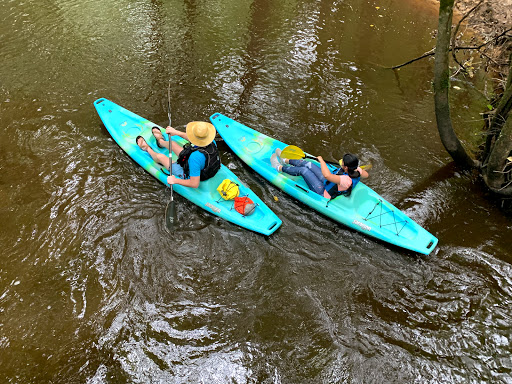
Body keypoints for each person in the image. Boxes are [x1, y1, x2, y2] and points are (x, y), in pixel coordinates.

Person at [136, 121, 221, 188]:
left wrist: (175, 180)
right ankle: (160, 141)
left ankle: (146, 148)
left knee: (160, 157)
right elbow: (192, 138)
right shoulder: (210, 141)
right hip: (202, 164)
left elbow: (194, 184)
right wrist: (176, 132)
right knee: (172, 144)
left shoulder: (195, 158)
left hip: (190, 172)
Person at [270, 149, 369, 200]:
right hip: (328, 182)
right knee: (308, 164)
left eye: (343, 162)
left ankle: (279, 168)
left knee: (303, 171)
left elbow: (327, 176)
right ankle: (285, 160)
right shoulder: (357, 170)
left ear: (346, 167)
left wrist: (321, 161)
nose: (341, 162)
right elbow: (366, 175)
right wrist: (358, 168)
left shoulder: (345, 180)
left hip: (323, 192)